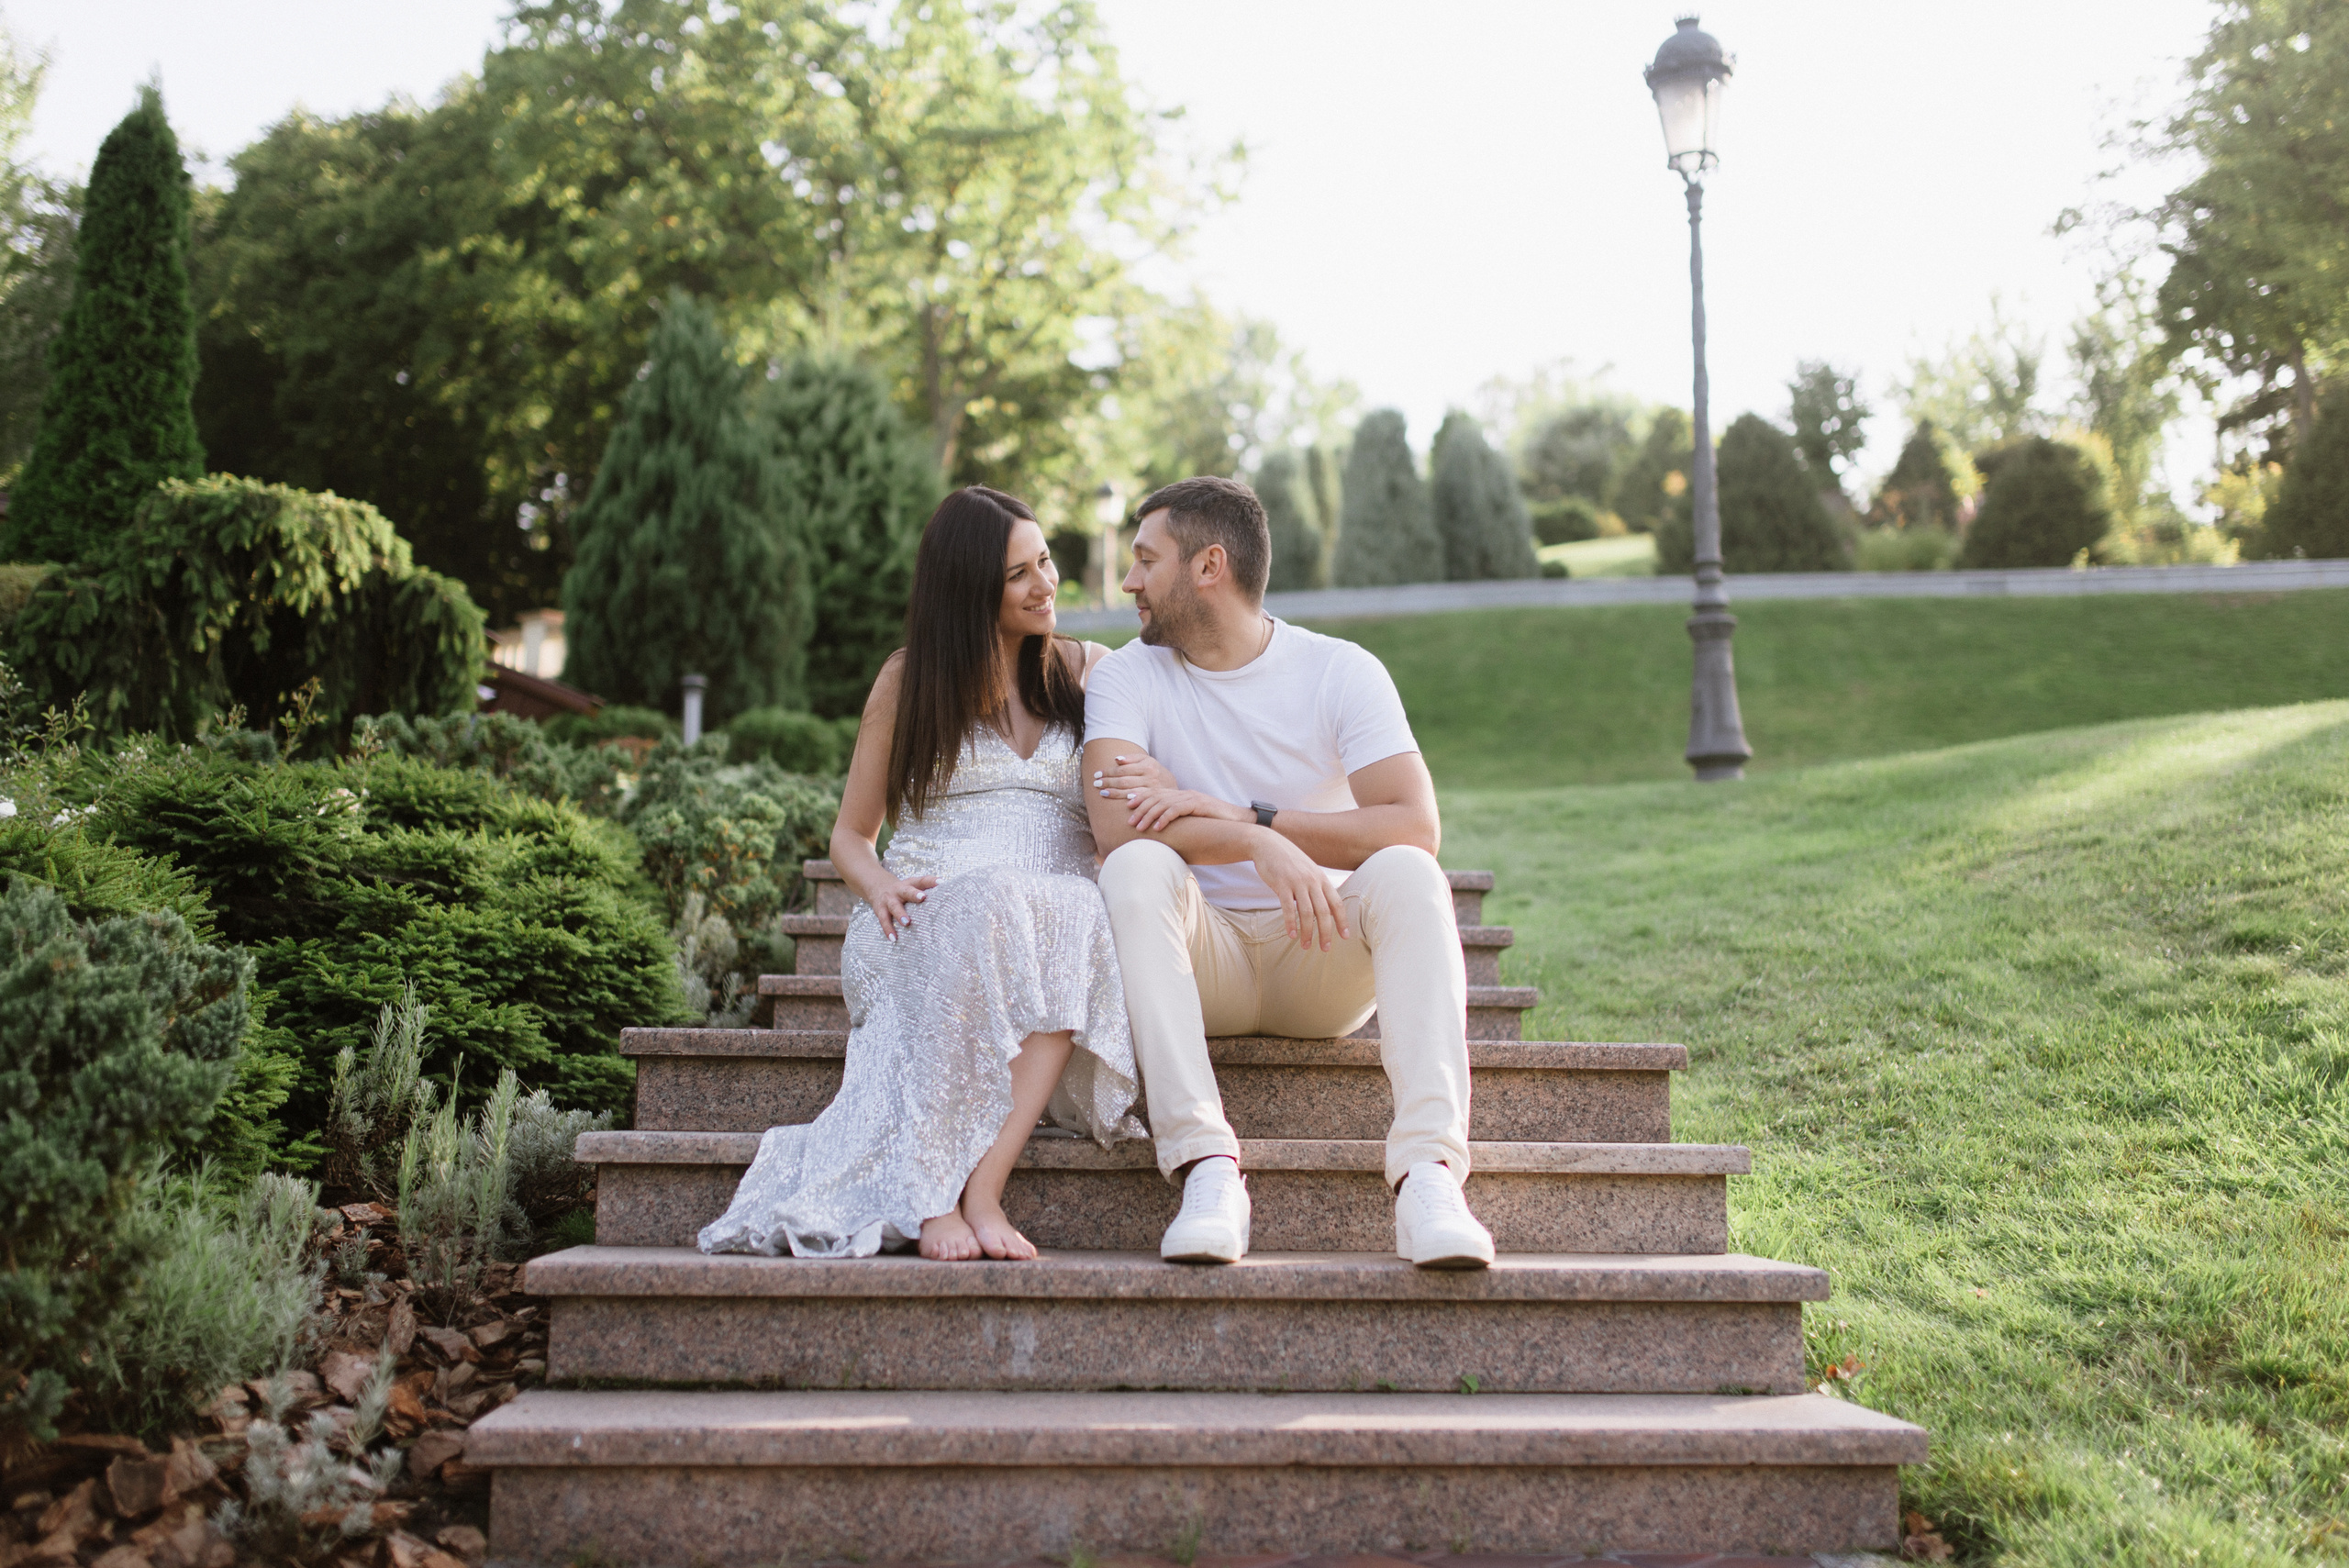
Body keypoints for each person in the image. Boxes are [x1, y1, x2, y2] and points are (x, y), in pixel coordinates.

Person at [700, 485, 1148, 1262]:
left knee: (1073, 909)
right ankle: (929, 1192)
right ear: (970, 589)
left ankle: (980, 1189)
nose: (1046, 583)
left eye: (1045, 560)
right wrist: (877, 889)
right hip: (925, 915)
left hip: (1051, 923)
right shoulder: (909, 681)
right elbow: (851, 834)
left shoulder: (1088, 672)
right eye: (1020, 574)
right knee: (997, 904)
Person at [1083, 474, 1496, 1270]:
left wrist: (1251, 814)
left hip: (1317, 950)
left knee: (1411, 872)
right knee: (1134, 865)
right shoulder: (1126, 676)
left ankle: (1429, 1178)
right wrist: (1258, 847)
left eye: (1145, 560)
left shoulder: (1341, 670)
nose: (1129, 581)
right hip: (1201, 957)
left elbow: (1412, 823)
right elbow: (1113, 824)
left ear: (1209, 566)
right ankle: (1207, 1167)